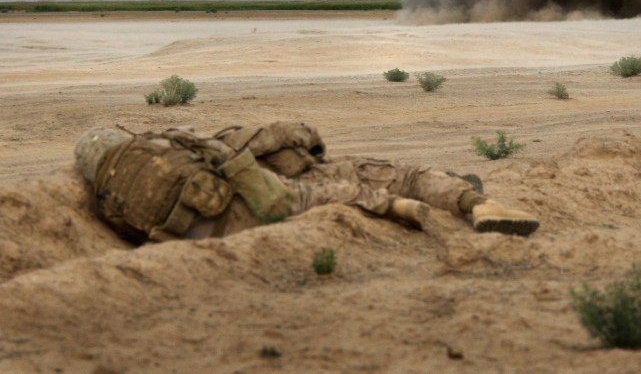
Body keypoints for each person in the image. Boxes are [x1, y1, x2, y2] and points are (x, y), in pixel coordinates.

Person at [74, 122, 538, 244]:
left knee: (364, 183)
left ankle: (447, 195)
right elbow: (290, 133)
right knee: (394, 179)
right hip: (283, 190)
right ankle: (472, 201)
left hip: (212, 223)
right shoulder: (186, 145)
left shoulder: (113, 199)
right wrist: (312, 147)